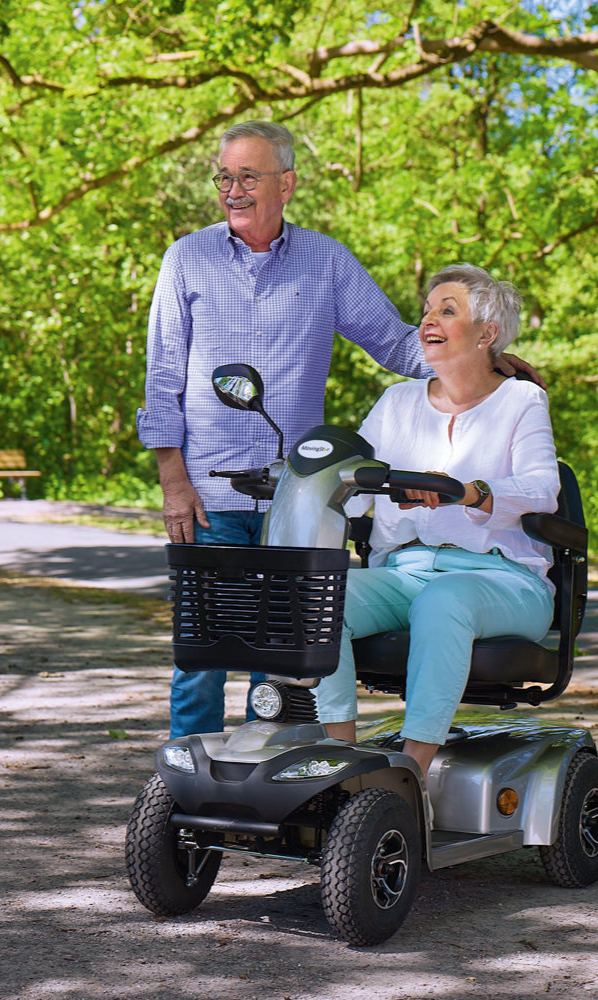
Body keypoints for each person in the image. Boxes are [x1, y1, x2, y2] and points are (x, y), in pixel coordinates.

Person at [136, 121, 541, 738]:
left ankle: (268, 776)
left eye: (249, 176)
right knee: (205, 656)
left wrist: (482, 362)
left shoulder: (327, 260)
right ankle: (186, 781)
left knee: (284, 654)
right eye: (225, 176)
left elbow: (394, 342)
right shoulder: (185, 259)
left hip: (295, 501)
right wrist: (172, 483)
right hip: (207, 495)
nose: (233, 189)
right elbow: (161, 376)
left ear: (286, 183)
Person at [313, 263, 559, 794]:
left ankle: (409, 777)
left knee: (444, 599)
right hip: (404, 571)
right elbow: (347, 483)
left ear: (486, 334)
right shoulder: (396, 402)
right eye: (427, 309)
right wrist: (319, 492)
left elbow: (542, 488)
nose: (429, 318)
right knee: (317, 598)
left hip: (504, 579)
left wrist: (471, 490)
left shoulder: (521, 400)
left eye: (448, 310)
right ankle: (343, 769)